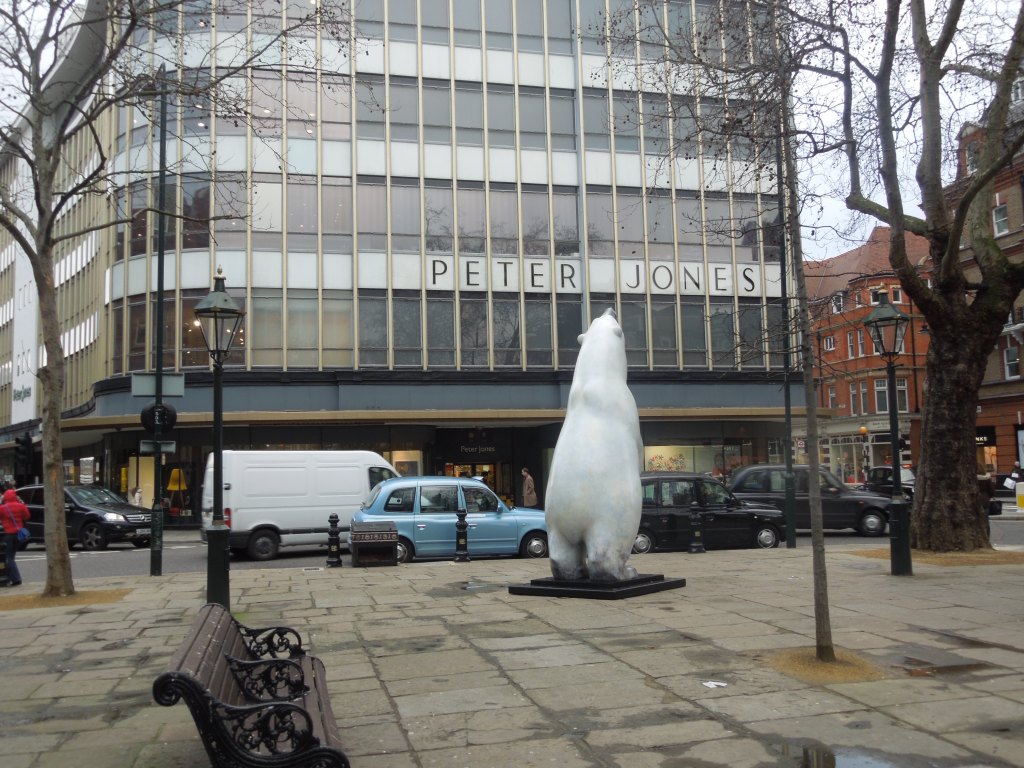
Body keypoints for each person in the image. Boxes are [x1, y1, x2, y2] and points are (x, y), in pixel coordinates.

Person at [1, 488, 31, 587]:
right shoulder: (20, 506)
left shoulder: (3, 508)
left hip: (8, 534)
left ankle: (15, 578)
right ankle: (13, 577)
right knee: (12, 556)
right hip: (19, 534)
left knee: (9, 557)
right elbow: (27, 516)